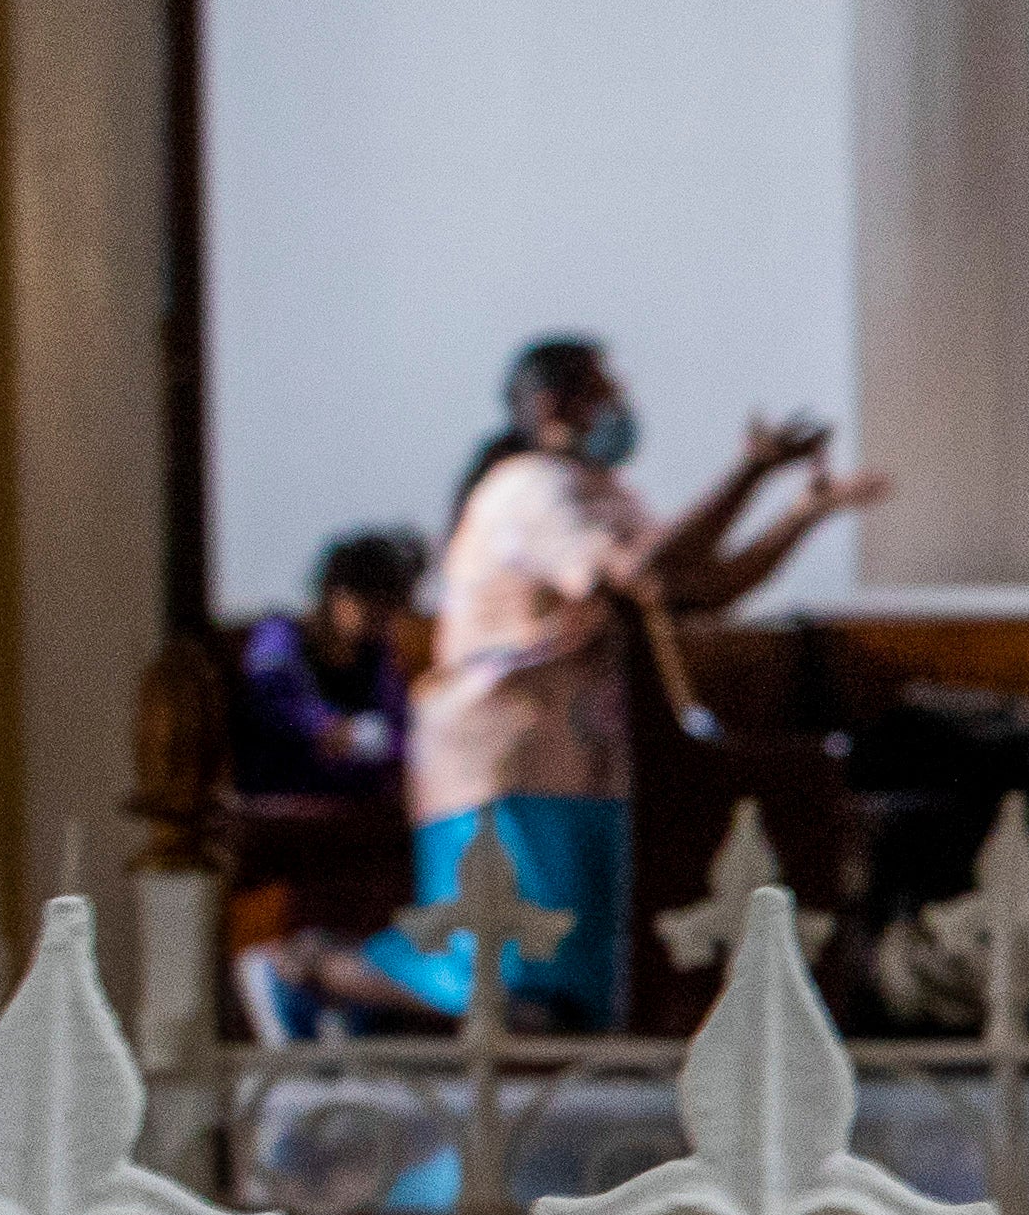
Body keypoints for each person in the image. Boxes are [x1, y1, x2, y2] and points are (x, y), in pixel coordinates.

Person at [332, 343, 881, 1029]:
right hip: (507, 767)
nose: (621, 408)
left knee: (575, 985)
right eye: (603, 391)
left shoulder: (601, 491)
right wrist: (749, 472)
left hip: (586, 765)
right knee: (498, 977)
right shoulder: (530, 487)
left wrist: (800, 511)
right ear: (552, 406)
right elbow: (639, 570)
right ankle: (310, 970)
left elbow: (697, 586)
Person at [231, 527, 424, 803]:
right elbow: (272, 708)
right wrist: (327, 729)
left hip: (360, 802)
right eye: (369, 601)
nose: (380, 615)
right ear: (336, 594)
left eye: (388, 606)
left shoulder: (378, 657)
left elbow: (399, 728)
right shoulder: (278, 638)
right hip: (283, 799)